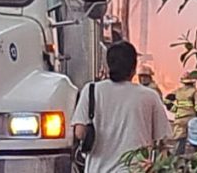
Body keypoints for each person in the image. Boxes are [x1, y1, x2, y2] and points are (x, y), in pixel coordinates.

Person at [72, 41, 172, 172]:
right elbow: (162, 140)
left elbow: (79, 133)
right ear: (134, 68)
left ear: (108, 65)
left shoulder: (91, 90)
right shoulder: (150, 96)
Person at [172, 72, 197, 154]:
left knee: (180, 139)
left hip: (179, 118)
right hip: (191, 118)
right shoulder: (194, 91)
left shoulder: (178, 91)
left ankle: (177, 159)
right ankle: (196, 157)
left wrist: (174, 109)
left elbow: (167, 100)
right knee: (195, 138)